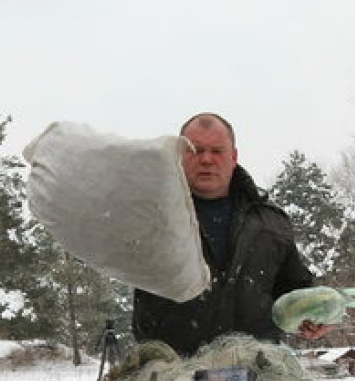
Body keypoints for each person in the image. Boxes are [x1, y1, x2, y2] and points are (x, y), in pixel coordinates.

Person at [131, 112, 319, 356]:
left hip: (256, 373)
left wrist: (313, 315)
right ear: (179, 156)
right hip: (170, 373)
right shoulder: (150, 217)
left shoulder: (271, 223)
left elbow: (294, 292)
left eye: (217, 151)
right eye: (196, 150)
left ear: (234, 156)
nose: (206, 160)